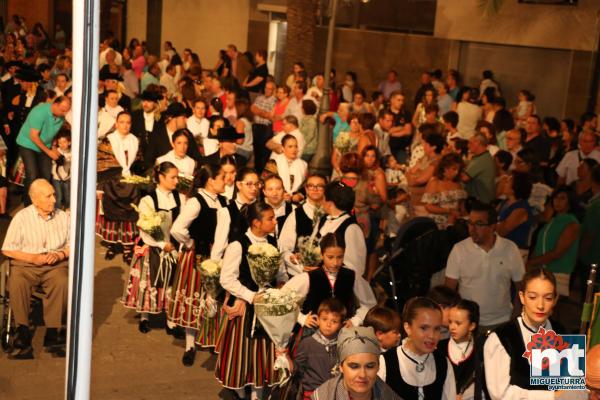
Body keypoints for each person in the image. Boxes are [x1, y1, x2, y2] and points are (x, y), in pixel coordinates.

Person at [215, 202, 288, 400]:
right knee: (244, 353)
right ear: (256, 222)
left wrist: (281, 285)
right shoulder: (238, 245)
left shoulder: (272, 242)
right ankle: (239, 391)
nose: (275, 221)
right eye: (270, 219)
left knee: (263, 354)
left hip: (268, 308)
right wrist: (250, 296)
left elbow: (280, 273)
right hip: (247, 310)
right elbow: (227, 279)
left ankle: (257, 394)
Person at [2, 179, 69, 359]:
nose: (54, 199)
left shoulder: (62, 216)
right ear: (34, 199)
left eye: (54, 194)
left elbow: (72, 245)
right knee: (17, 282)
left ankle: (52, 333)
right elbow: (7, 248)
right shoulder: (22, 218)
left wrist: (60, 255)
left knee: (62, 281)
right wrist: (33, 258)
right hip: (26, 264)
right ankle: (23, 334)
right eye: (48, 196)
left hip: (54, 264)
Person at [169, 163, 228, 365]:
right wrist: (189, 242)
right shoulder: (196, 201)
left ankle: (211, 339)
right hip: (198, 256)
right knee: (194, 299)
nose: (225, 181)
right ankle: (190, 344)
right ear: (211, 181)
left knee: (213, 299)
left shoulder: (223, 201)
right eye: (222, 177)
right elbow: (177, 228)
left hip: (217, 256)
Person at [122, 162, 185, 334]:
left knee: (172, 282)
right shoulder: (147, 200)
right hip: (153, 247)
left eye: (177, 177)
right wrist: (161, 244)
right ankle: (144, 316)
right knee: (149, 283)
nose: (176, 181)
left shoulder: (180, 198)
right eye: (173, 177)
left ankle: (170, 320)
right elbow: (145, 229)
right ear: (161, 177)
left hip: (173, 247)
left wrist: (178, 245)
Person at [484, 268, 568, 398]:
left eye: (548, 298)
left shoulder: (562, 332)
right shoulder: (502, 338)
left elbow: (571, 386)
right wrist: (552, 396)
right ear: (522, 297)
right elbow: (500, 395)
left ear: (555, 299)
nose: (540, 305)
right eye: (533, 297)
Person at [445, 201, 525, 332]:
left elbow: (520, 288)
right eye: (470, 223)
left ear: (493, 226)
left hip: (502, 321)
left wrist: (515, 317)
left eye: (479, 224)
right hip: (468, 323)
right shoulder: (459, 249)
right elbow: (449, 291)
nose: (472, 229)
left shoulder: (509, 249)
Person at [283, 232, 376, 333]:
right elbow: (282, 298)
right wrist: (302, 318)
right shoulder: (309, 277)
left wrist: (355, 320)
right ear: (322, 255)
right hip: (314, 333)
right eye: (330, 257)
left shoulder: (352, 276)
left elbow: (369, 303)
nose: (335, 263)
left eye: (340, 257)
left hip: (343, 333)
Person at [377, 297, 457, 399]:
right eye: (424, 328)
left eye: (437, 328)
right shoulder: (385, 362)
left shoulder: (443, 363)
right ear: (407, 328)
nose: (432, 335)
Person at [95, 111, 141, 263]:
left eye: (128, 122)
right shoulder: (107, 141)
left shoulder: (135, 141)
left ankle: (128, 250)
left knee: (129, 218)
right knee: (112, 217)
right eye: (122, 122)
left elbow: (139, 165)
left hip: (130, 185)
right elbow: (101, 165)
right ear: (116, 124)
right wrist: (100, 188)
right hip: (111, 184)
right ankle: (112, 246)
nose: (125, 125)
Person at [312, 326, 402, 400]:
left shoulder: (388, 396)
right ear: (341, 367)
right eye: (354, 366)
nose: (362, 375)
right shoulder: (323, 397)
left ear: (378, 367)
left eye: (370, 366)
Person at [15, 96, 71, 205]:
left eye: (66, 111)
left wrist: (54, 148)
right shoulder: (40, 112)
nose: (64, 113)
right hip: (28, 143)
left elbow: (53, 134)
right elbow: (34, 136)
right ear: (55, 104)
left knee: (45, 174)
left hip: (45, 144)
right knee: (32, 174)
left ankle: (42, 202)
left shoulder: (61, 116)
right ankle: (28, 205)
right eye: (62, 110)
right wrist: (49, 151)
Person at [528, 186, 581, 298]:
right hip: (541, 269)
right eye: (556, 198)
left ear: (570, 201)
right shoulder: (553, 220)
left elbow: (558, 252)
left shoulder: (572, 223)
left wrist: (532, 262)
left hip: (557, 271)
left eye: (562, 198)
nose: (557, 201)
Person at [294, 298, 346, 399]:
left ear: (340, 325)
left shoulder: (342, 344)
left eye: (334, 321)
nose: (328, 324)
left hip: (335, 394)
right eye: (324, 319)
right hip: (312, 394)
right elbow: (297, 370)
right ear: (317, 319)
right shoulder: (307, 343)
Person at [279, 173, 327, 276]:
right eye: (311, 185)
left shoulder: (331, 214)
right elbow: (285, 249)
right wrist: (300, 267)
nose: (315, 188)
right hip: (300, 273)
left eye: (319, 186)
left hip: (326, 274)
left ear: (325, 189)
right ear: (306, 189)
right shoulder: (296, 215)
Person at [436, 299, 484, 400]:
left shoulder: (480, 350)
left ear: (472, 326)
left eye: (458, 323)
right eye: (450, 322)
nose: (452, 327)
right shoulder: (439, 348)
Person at [210, 167, 261, 260]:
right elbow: (219, 246)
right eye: (249, 184)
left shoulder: (261, 210)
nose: (254, 188)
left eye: (257, 184)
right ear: (239, 185)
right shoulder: (226, 212)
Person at [318, 181, 367, 276]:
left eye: (323, 198)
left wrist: (323, 272)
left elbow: (355, 267)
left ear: (330, 203)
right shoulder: (324, 219)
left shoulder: (351, 228)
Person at [422, 152, 466, 229]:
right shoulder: (435, 183)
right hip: (439, 223)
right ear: (445, 167)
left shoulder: (458, 183)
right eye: (454, 169)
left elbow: (461, 204)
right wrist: (449, 211)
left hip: (456, 221)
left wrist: (464, 215)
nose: (456, 172)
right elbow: (428, 206)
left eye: (458, 170)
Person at [496, 171, 535, 256]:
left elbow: (502, 231)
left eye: (508, 182)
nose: (504, 183)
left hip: (514, 253)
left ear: (515, 188)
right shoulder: (504, 203)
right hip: (501, 249)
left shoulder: (521, 209)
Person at [271, 134, 308, 200]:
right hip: (276, 199)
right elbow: (266, 184)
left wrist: (299, 195)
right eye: (290, 146)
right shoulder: (274, 162)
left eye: (296, 146)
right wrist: (281, 195)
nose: (294, 150)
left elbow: (305, 186)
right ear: (283, 148)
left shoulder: (303, 164)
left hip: (296, 201)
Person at [462, 133, 496, 204]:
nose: (468, 146)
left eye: (470, 143)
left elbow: (464, 178)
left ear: (478, 143)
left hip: (481, 202)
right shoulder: (479, 157)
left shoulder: (482, 159)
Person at [251, 80, 277, 172]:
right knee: (256, 150)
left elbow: (270, 116)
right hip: (256, 126)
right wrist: (264, 113)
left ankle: (263, 172)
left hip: (266, 128)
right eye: (266, 88)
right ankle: (256, 171)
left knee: (264, 151)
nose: (267, 90)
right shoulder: (259, 98)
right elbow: (253, 109)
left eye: (270, 89)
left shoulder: (275, 100)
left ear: (273, 90)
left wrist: (259, 111)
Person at [262, 174, 294, 239]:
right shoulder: (257, 210)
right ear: (264, 191)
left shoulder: (293, 210)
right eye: (270, 189)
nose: (274, 193)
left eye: (278, 189)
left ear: (283, 190)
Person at [51, 129, 71, 210]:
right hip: (56, 178)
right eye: (59, 143)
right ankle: (57, 211)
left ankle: (67, 210)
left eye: (64, 142)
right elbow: (53, 162)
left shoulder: (72, 152)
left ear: (69, 142)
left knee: (67, 196)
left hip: (67, 178)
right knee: (58, 197)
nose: (61, 144)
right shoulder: (56, 151)